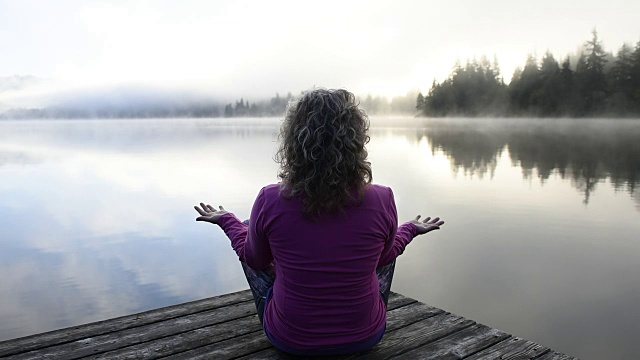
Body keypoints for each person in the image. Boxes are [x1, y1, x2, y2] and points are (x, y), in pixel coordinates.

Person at [194, 88, 444, 356]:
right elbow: (385, 258)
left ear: (293, 142)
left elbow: (253, 260)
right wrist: (410, 230)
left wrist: (228, 222)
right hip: (366, 336)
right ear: (356, 141)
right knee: (386, 246)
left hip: (290, 339)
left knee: (249, 230)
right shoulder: (383, 199)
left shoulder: (270, 199)